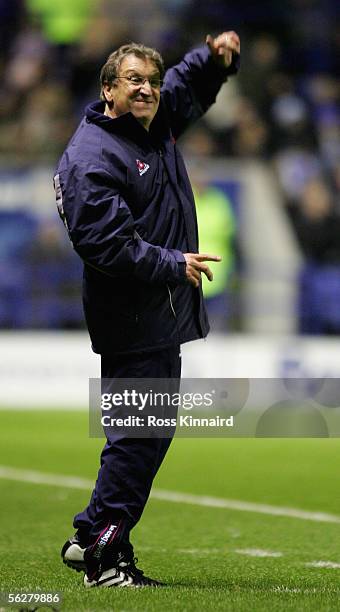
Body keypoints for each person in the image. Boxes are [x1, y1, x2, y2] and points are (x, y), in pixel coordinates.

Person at [54, 30, 240, 588]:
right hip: (133, 319)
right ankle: (104, 557)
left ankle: (89, 537)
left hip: (154, 316)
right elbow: (104, 244)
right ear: (107, 89)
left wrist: (212, 58)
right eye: (134, 80)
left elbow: (184, 85)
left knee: (141, 435)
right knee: (138, 441)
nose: (148, 90)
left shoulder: (150, 124)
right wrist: (172, 264)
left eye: (151, 82)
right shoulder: (90, 158)